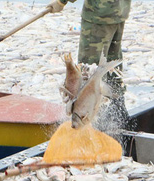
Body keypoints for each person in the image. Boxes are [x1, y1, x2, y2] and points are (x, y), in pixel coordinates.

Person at [53, 0, 131, 128]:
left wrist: (61, 2)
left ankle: (91, 124)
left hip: (98, 15)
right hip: (119, 12)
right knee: (111, 66)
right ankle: (119, 116)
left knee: (90, 72)